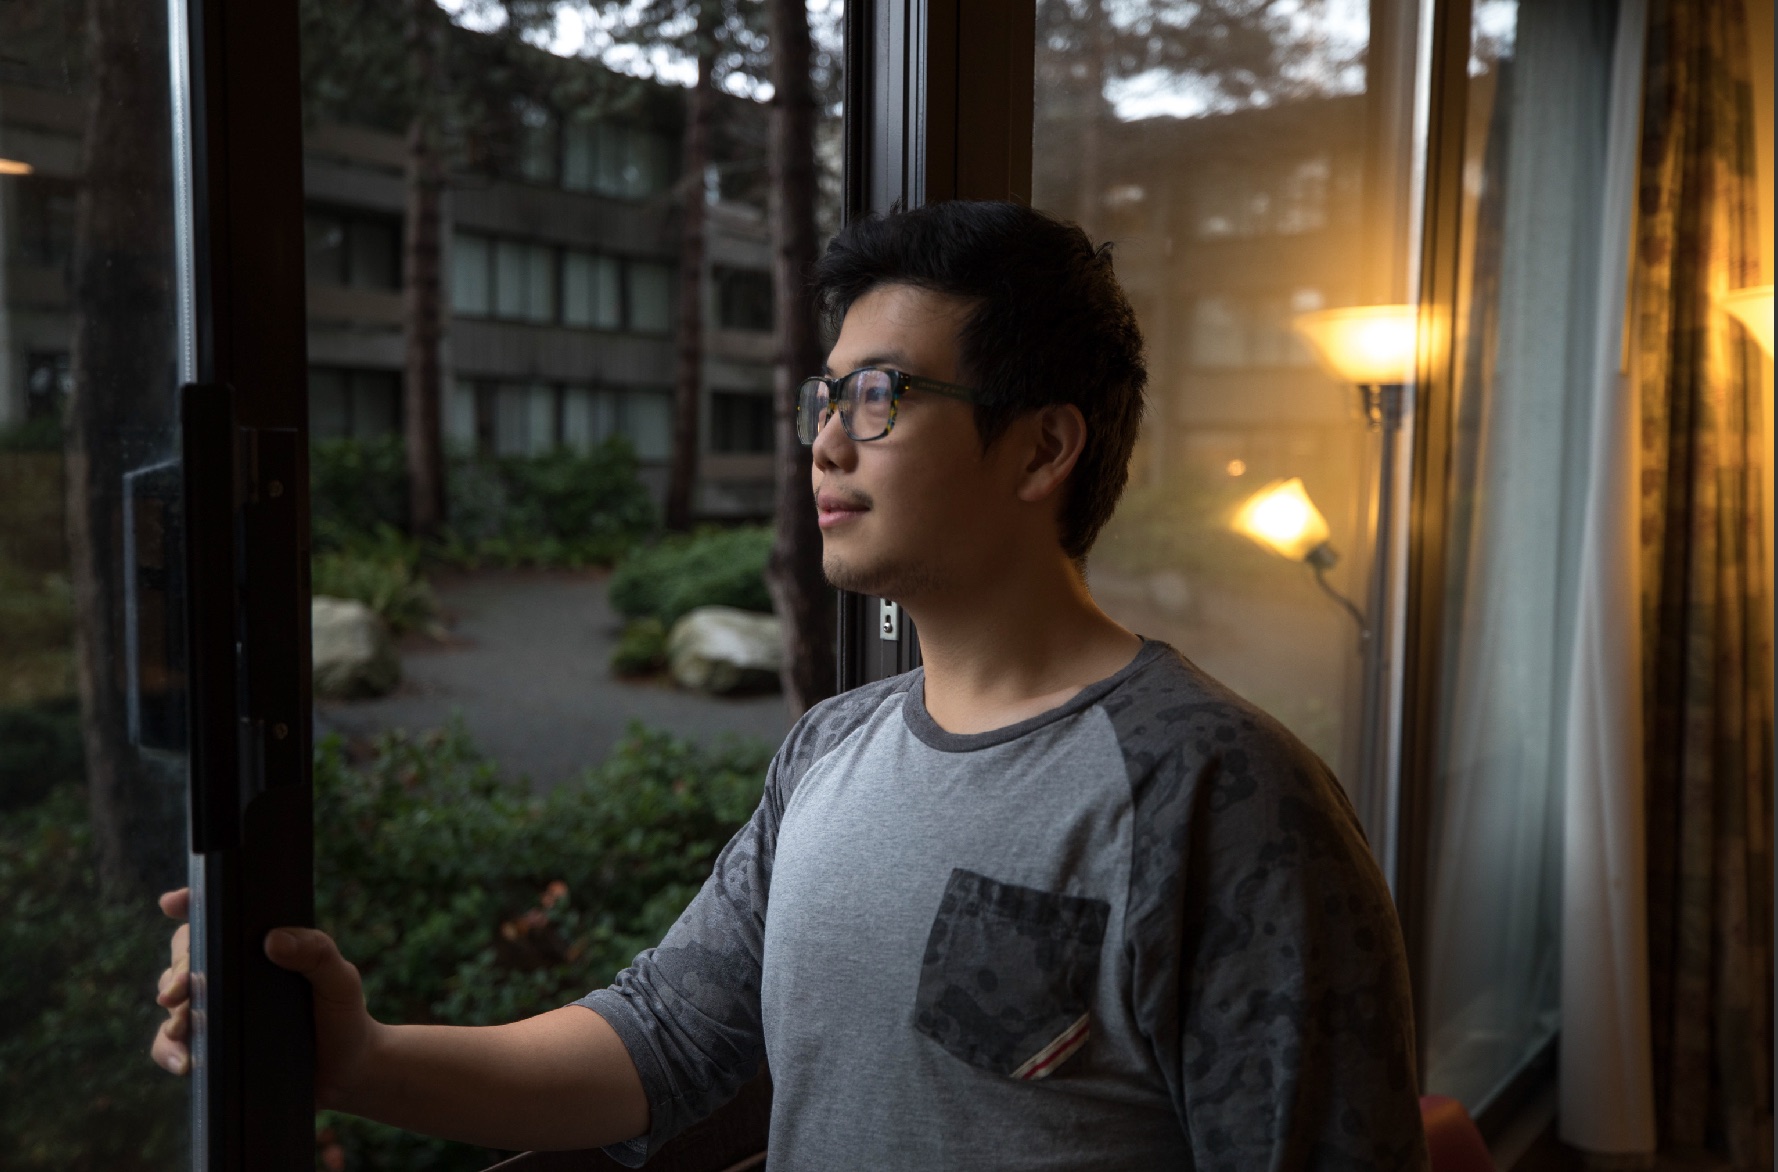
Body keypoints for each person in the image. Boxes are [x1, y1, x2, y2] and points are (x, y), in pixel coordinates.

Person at [153, 200, 1429, 1169]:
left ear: (1043, 444)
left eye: (879, 395)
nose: (823, 440)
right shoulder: (830, 748)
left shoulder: (1215, 789)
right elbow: (661, 1039)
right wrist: (352, 1057)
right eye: (824, 396)